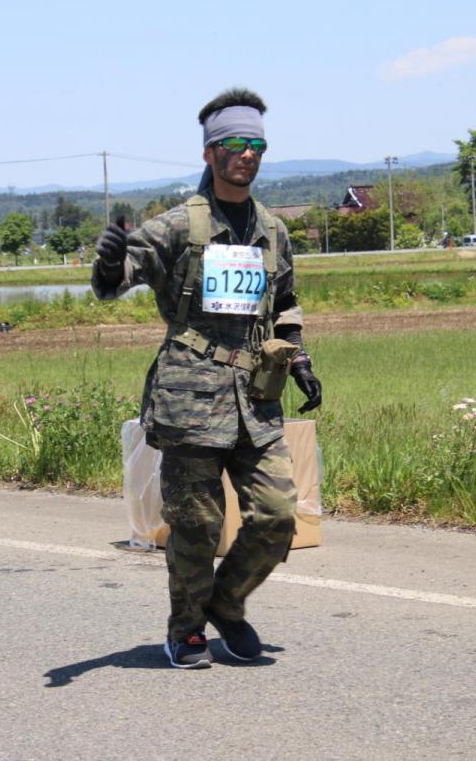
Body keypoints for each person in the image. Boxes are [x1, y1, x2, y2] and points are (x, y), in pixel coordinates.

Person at [92, 88, 323, 669]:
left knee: (277, 515)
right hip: (190, 397)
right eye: (235, 144)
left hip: (256, 399)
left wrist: (298, 359)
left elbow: (285, 302)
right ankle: (187, 629)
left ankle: (226, 601)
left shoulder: (272, 230)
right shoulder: (178, 226)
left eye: (257, 146)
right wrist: (109, 261)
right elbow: (118, 279)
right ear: (210, 152)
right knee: (196, 525)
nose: (247, 154)